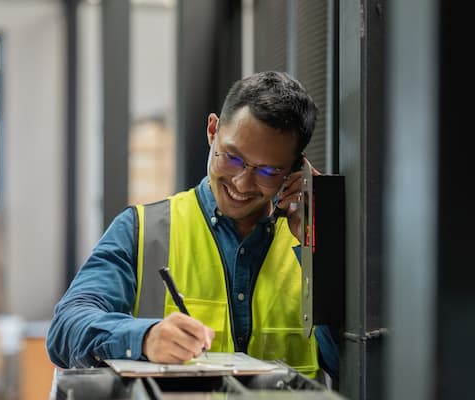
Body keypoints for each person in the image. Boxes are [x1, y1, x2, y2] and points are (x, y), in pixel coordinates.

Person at [46, 71, 339, 382]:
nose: (242, 182)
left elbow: (347, 364)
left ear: (294, 169)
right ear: (213, 130)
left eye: (268, 170)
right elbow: (66, 327)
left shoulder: (311, 246)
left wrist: (321, 251)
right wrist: (144, 338)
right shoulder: (142, 231)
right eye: (233, 157)